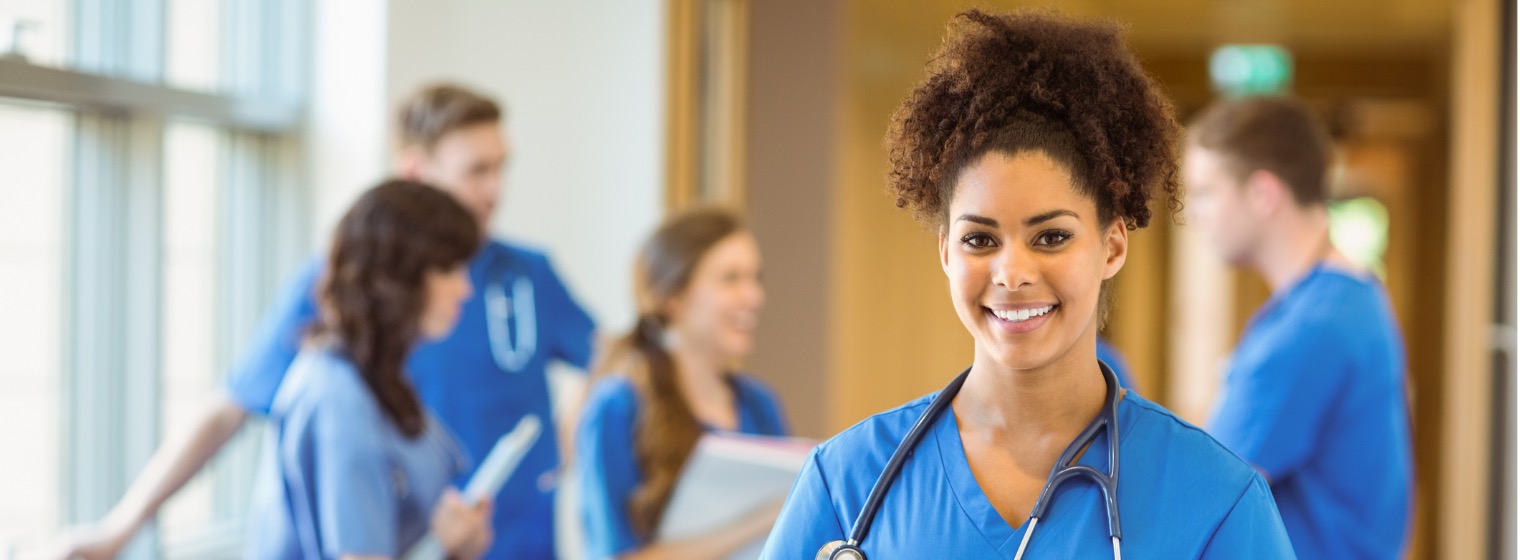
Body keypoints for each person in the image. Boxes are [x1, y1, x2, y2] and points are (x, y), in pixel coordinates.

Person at [760, 10, 1294, 559]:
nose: (1011, 272)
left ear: (1112, 246)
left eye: (1051, 237)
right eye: (980, 240)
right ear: (945, 250)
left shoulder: (1215, 502)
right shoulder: (846, 485)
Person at [54, 84, 596, 560]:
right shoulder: (342, 339)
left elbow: (610, 358)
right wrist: (122, 526)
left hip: (503, 539)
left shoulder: (525, 275)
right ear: (416, 170)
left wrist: (558, 448)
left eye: (502, 167)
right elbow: (232, 406)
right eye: (477, 170)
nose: (495, 189)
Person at [1186, 96, 1412, 559]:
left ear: (1264, 194)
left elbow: (1203, 494)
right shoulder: (1354, 293)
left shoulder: (1311, 328)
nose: (1194, 213)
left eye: (1206, 192)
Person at [246, 179, 492, 559]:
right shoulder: (338, 399)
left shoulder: (374, 380)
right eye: (447, 270)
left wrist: (457, 547)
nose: (464, 289)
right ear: (397, 276)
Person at [575, 208, 789, 559]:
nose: (753, 297)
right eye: (730, 279)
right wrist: (758, 521)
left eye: (756, 278)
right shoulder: (618, 407)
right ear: (672, 297)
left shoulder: (760, 404)